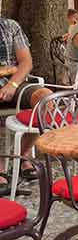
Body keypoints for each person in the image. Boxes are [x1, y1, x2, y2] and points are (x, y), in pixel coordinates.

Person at [0, 17, 54, 190]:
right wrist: (9, 69)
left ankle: (22, 156)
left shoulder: (10, 25)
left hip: (14, 84)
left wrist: (12, 83)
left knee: (45, 97)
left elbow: (26, 62)